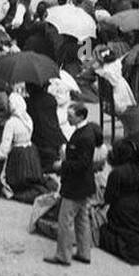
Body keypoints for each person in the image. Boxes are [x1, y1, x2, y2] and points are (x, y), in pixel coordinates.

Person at [44, 103, 96, 267]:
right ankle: (84, 252)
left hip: (75, 186)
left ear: (80, 117)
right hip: (85, 185)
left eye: (71, 116)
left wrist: (63, 165)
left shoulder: (84, 136)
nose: (67, 118)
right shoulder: (87, 133)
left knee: (65, 220)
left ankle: (63, 255)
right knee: (82, 220)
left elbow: (82, 163)